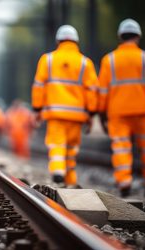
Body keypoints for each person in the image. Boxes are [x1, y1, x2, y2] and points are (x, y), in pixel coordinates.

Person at [31, 25, 98, 186]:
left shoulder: (47, 59)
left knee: (57, 144)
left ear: (58, 40)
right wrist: (91, 113)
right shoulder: (85, 63)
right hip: (77, 115)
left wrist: (37, 109)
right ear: (76, 41)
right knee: (71, 149)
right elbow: (92, 90)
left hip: (55, 113)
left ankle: (58, 171)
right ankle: (70, 180)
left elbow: (39, 86)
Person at [98, 19, 145, 196]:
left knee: (121, 148)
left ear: (120, 37)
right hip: (143, 111)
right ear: (138, 36)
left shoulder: (109, 60)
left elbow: (102, 90)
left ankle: (124, 182)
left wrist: (101, 112)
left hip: (118, 112)